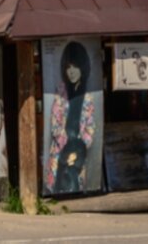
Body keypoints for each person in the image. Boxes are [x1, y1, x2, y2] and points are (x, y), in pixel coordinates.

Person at [48, 42, 99, 195]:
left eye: (75, 66)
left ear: (83, 67)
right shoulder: (61, 92)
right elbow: (55, 124)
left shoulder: (88, 97)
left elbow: (90, 129)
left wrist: (78, 150)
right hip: (60, 152)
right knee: (57, 195)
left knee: (76, 193)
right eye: (68, 67)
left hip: (79, 155)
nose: (71, 71)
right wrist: (66, 148)